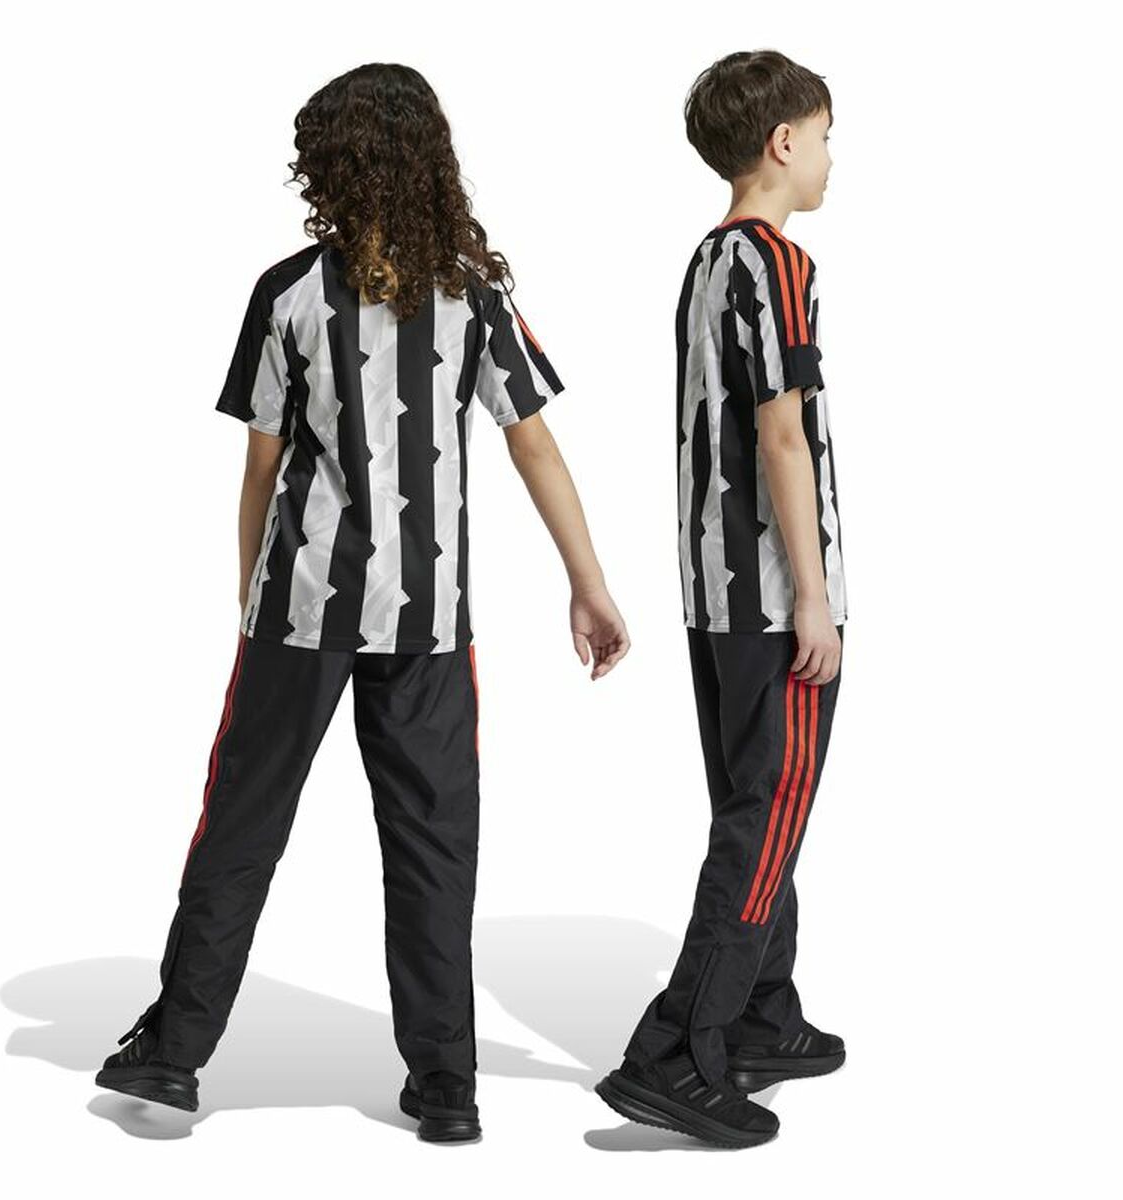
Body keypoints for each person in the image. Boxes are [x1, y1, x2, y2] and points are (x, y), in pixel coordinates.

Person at [95, 62, 629, 1143]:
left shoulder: (288, 291)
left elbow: (262, 465)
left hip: (302, 609)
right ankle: (447, 1087)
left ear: (332, 168)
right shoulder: (475, 297)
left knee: (241, 826)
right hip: (429, 617)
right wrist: (589, 581)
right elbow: (533, 444)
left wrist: (253, 594)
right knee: (435, 848)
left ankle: (173, 1057)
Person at [595, 50, 848, 1149]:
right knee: (767, 812)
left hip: (713, 593)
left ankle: (760, 1014)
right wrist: (815, 597)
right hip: (772, 597)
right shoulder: (778, 263)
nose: (831, 159)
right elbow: (781, 435)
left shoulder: (706, 261)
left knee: (754, 805)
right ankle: (670, 1052)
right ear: (783, 143)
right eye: (826, 137)